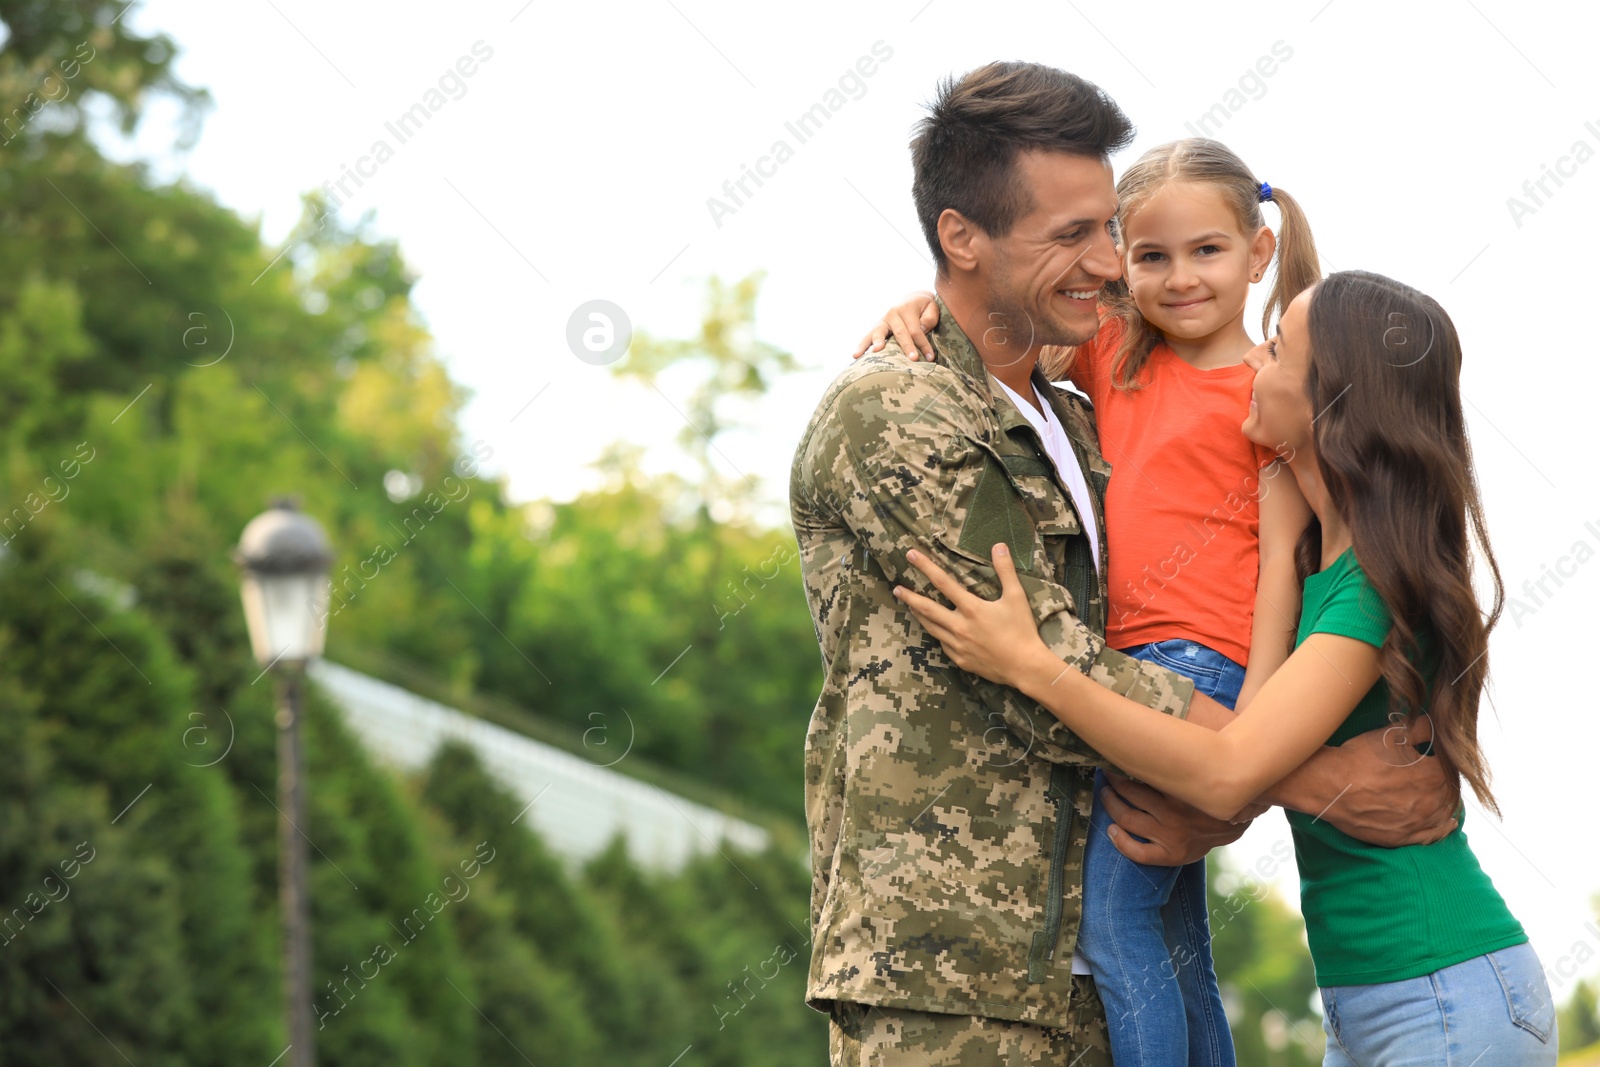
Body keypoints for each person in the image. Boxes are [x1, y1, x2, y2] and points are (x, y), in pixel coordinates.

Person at [790, 61, 1460, 1066]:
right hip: (952, 982)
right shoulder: (899, 409)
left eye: (1106, 229)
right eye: (1070, 236)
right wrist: (1301, 775)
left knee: (1180, 962)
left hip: (1084, 980)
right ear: (959, 237)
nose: (1109, 263)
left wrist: (1230, 783)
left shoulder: (1074, 416)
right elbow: (1037, 662)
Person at [894, 270, 1558, 1066]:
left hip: (1444, 993)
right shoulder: (1319, 559)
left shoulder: (1372, 589)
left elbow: (1225, 770)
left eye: (1274, 350)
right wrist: (932, 312)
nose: (1251, 362)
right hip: (1371, 1001)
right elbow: (1247, 733)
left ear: (1330, 401)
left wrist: (1034, 666)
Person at [853, 137, 1320, 1066]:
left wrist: (1254, 722)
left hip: (1191, 671)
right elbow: (993, 316)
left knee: (1110, 929)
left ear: (1258, 251)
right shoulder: (1118, 354)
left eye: (1207, 252)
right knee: (1178, 938)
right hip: (1132, 664)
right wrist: (917, 304)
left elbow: (1282, 572)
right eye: (1150, 256)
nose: (1179, 277)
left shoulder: (1272, 390)